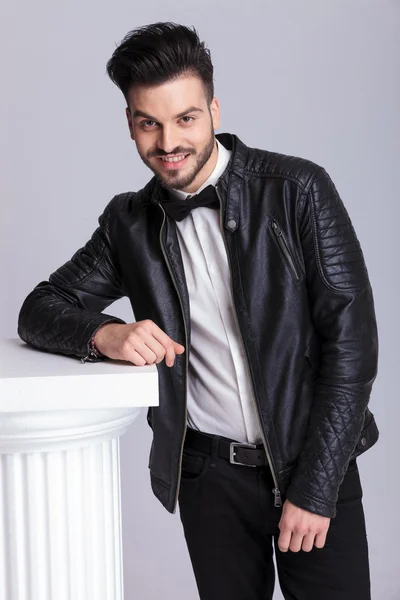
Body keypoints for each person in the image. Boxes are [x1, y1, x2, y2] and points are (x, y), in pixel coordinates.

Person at [18, 22, 379, 600]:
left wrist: (314, 488)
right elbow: (39, 309)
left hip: (315, 463)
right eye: (148, 123)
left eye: (185, 118)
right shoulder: (128, 223)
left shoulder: (298, 189)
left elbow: (353, 349)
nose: (168, 143)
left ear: (213, 108)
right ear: (131, 125)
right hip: (207, 478)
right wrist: (106, 334)